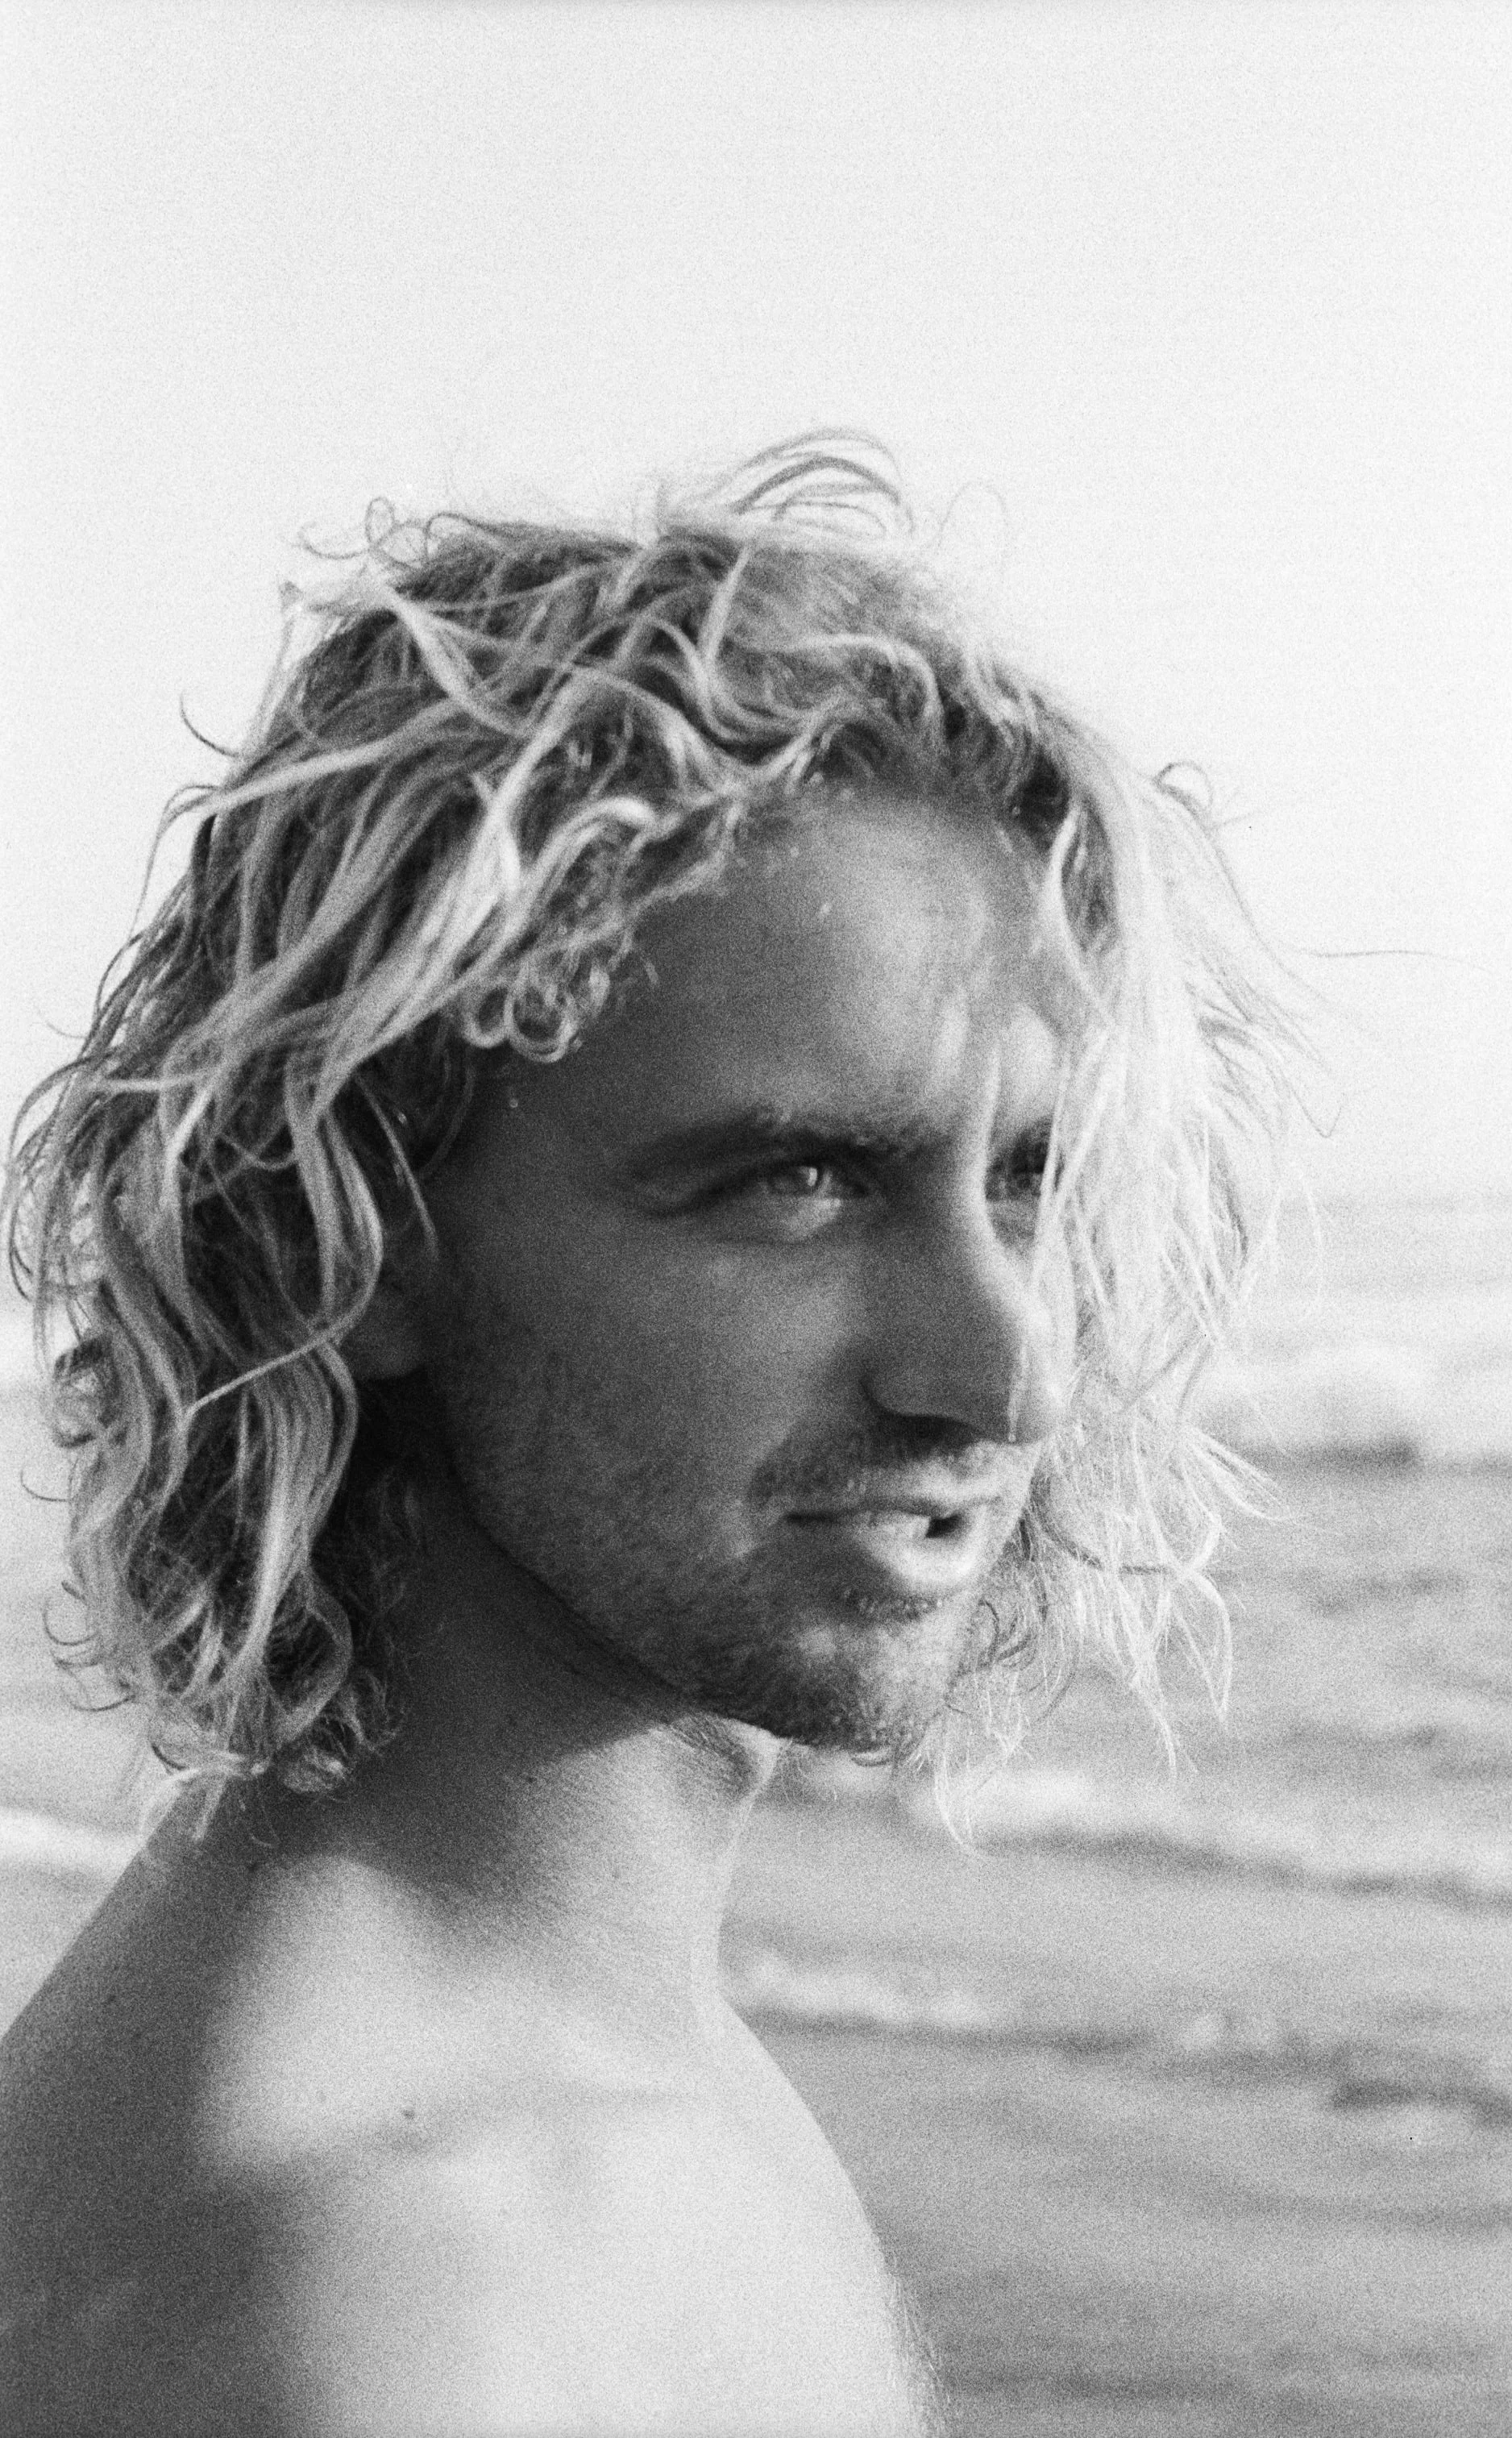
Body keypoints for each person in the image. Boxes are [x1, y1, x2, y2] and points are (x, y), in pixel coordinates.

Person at [0, 441, 1294, 2435]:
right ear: (356, 1236)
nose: (1010, 1375)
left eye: (1025, 1180)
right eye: (794, 1182)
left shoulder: (557, 2037)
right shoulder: (400, 2317)